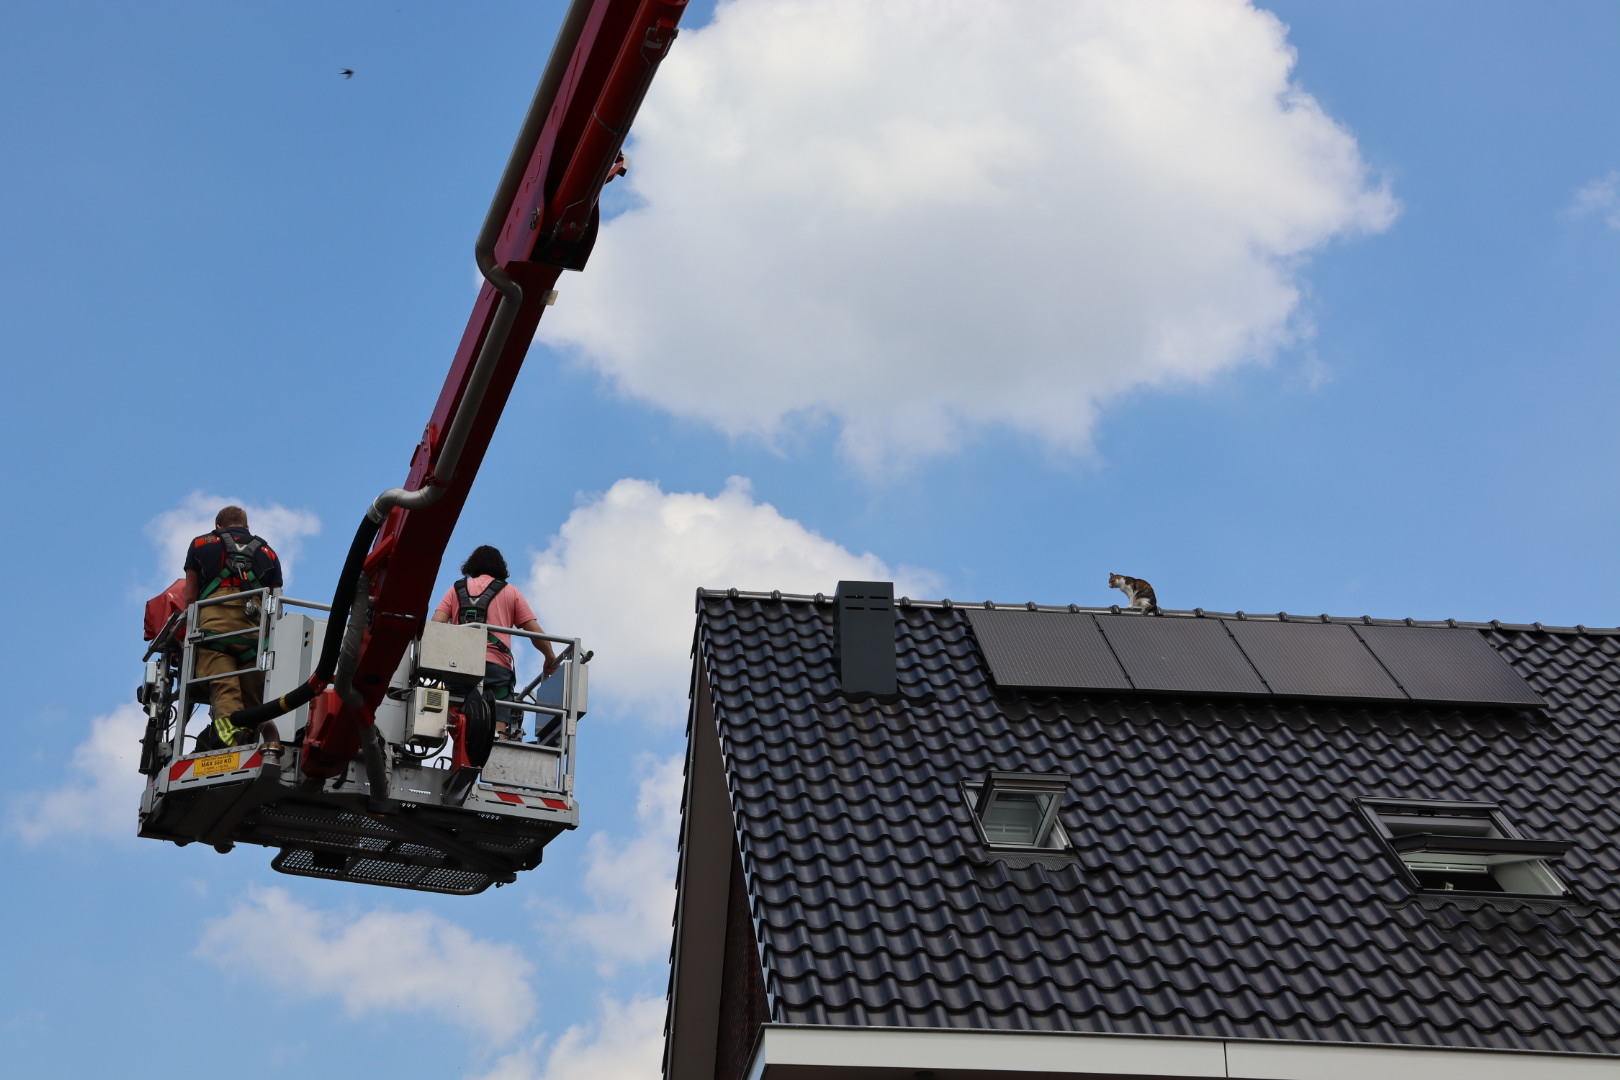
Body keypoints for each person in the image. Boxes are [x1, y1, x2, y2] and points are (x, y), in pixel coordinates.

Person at [432, 546, 559, 741]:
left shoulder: (456, 589)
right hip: (496, 667)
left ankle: (461, 747)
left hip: (459, 666)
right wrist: (549, 656)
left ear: (471, 565)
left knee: (456, 717)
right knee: (498, 716)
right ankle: (499, 741)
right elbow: (534, 632)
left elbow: (436, 625)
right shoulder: (511, 592)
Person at [184, 506, 283, 749]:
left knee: (224, 687)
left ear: (218, 526)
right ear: (247, 527)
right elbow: (276, 605)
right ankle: (256, 739)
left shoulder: (200, 544)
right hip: (253, 632)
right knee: (253, 695)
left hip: (214, 627)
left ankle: (232, 738)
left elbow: (190, 597)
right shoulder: (269, 553)